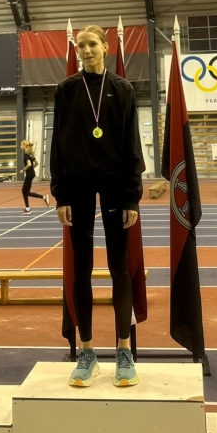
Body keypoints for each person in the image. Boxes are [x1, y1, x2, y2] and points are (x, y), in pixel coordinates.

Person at [51, 24, 143, 390]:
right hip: (77, 187)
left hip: (115, 186)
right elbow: (57, 146)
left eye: (92, 44)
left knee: (119, 268)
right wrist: (60, 195)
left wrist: (132, 196)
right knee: (82, 269)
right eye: (81, 45)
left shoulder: (122, 89)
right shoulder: (66, 90)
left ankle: (124, 351)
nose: (86, 50)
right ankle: (87, 352)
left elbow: (132, 144)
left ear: (106, 47)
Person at [19, 139, 49, 214]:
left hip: (29, 175)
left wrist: (23, 170)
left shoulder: (26, 155)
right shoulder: (30, 154)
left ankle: (43, 197)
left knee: (25, 192)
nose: (20, 146)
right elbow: (37, 163)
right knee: (25, 192)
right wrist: (31, 168)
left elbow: (29, 164)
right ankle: (28, 208)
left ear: (24, 146)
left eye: (21, 145)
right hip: (31, 174)